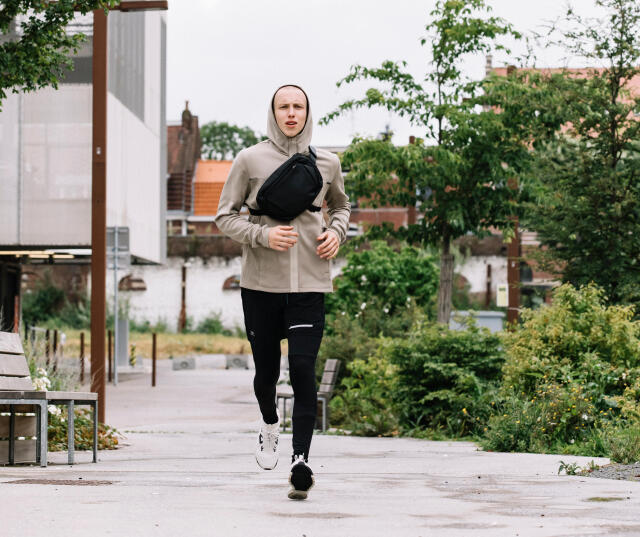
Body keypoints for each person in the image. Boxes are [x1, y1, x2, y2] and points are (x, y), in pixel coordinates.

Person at [214, 84, 351, 500]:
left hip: (311, 283)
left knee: (304, 371)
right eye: (283, 107)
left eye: (298, 106)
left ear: (308, 112)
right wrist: (263, 235)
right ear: (273, 112)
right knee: (267, 373)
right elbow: (224, 216)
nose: (291, 113)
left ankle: (301, 461)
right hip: (261, 286)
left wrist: (337, 233)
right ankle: (269, 423)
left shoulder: (327, 162)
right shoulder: (249, 159)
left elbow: (342, 206)